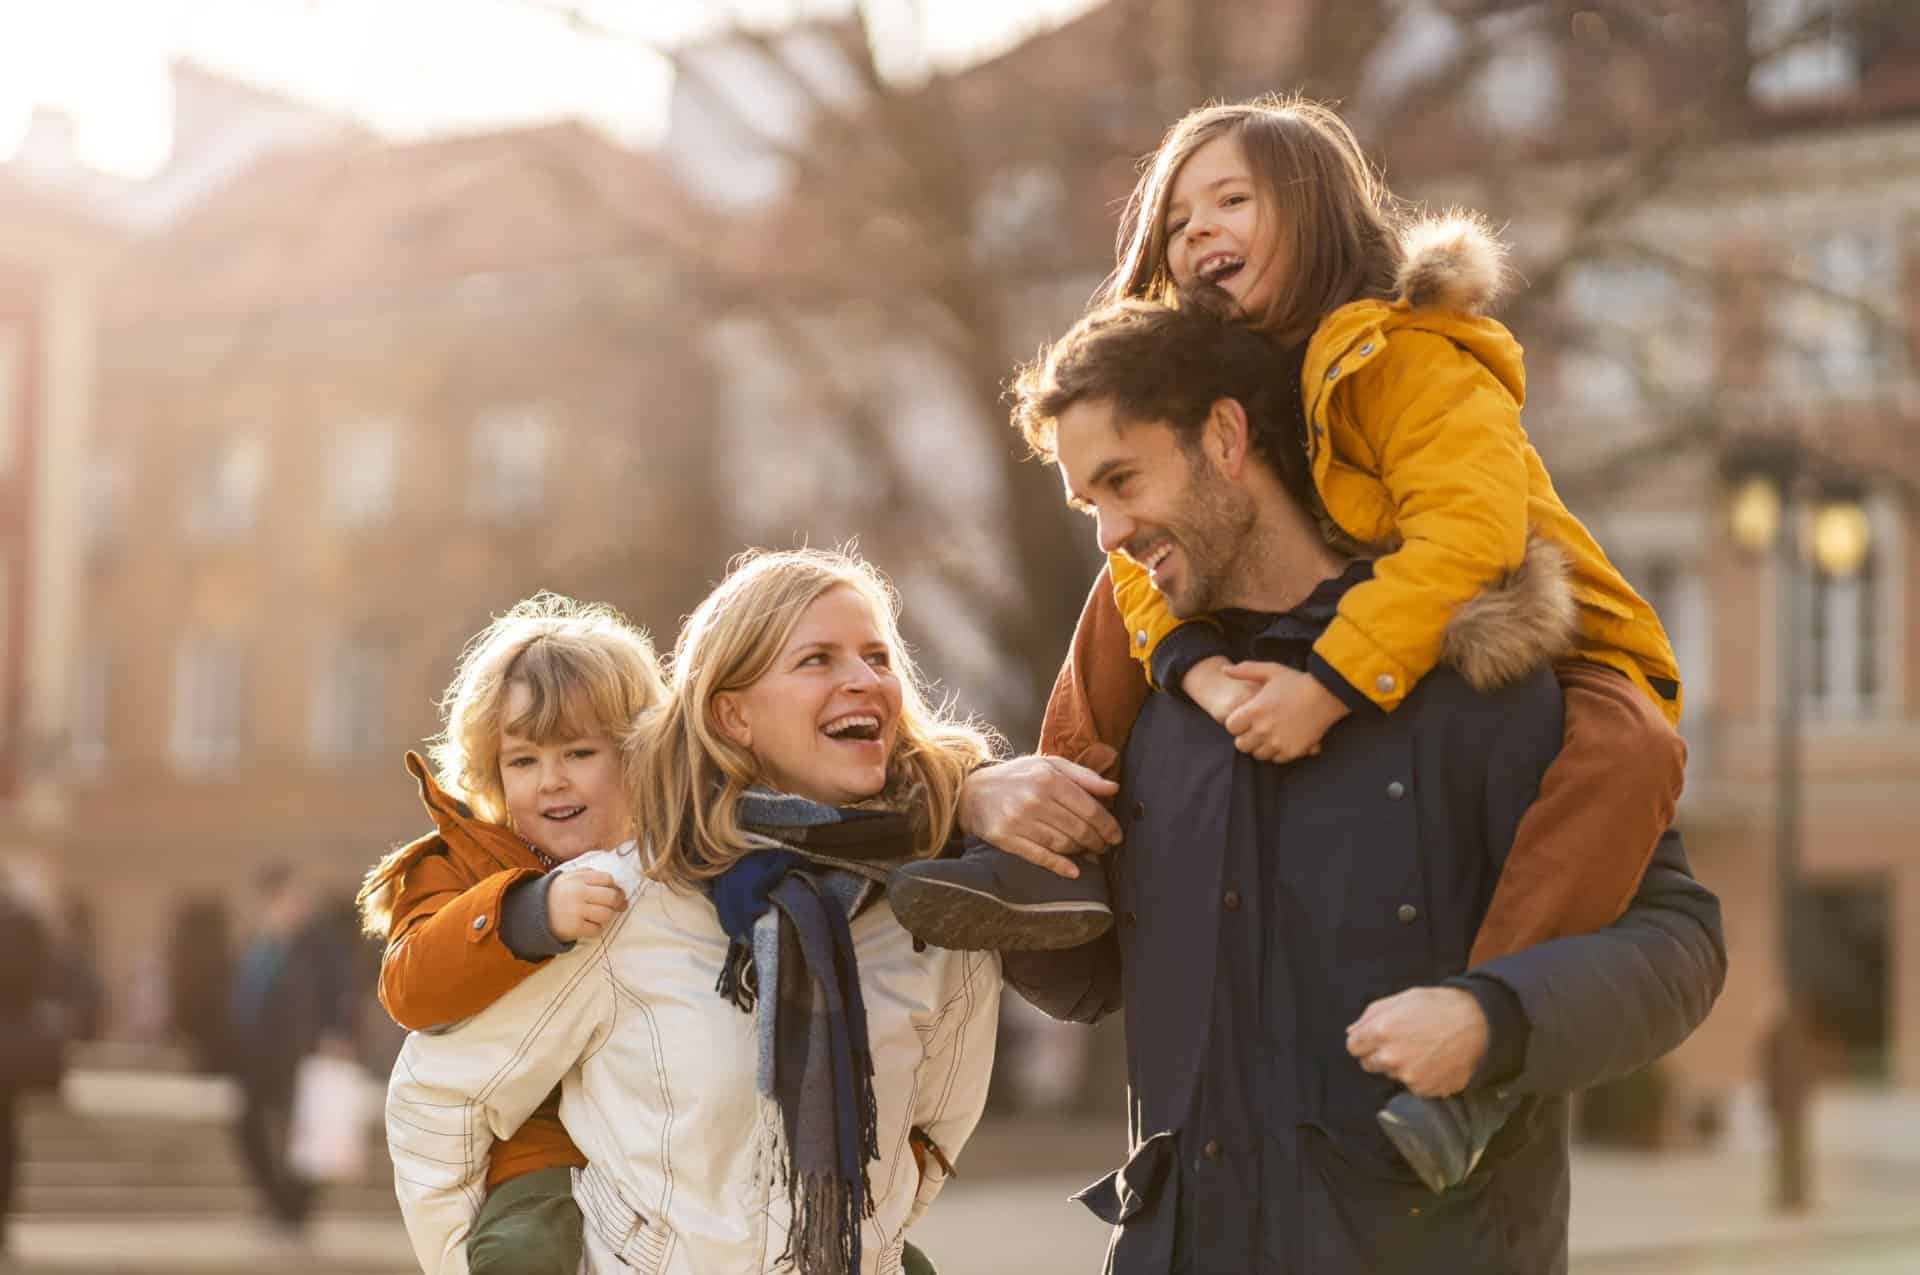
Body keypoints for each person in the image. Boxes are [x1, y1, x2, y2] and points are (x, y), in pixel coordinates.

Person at [891, 94, 1688, 1189]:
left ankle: (1477, 1062)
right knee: (1119, 584)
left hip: (1536, 621)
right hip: (1206, 1213)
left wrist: (1325, 684)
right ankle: (1048, 856)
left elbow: (1469, 532)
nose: (1199, 231)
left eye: (1232, 200)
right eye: (1176, 221)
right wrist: (1195, 670)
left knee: (1628, 751)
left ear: (1314, 213)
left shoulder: (1408, 355)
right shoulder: (1223, 388)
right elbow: (1145, 558)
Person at [985, 295, 1724, 1273]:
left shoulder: (1482, 689)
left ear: (1225, 435)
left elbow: (1677, 945)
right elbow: (1079, 977)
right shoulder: (1158, 716)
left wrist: (1491, 1016)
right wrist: (987, 834)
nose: (1111, 536)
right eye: (1090, 507)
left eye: (1123, 481)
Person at [386, 549, 1001, 1274]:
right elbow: (435, 1095)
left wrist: (870, 1236)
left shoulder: (938, 904)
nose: (863, 679)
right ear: (731, 713)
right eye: (818, 658)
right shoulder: (622, 898)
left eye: (876, 655)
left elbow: (933, 1128)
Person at [357, 594, 666, 1275]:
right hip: (540, 1143)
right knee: (519, 1252)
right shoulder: (462, 861)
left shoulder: (675, 859)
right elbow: (410, 986)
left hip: (666, 1127)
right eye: (523, 761)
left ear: (638, 754)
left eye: (579, 752)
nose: (551, 780)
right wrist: (528, 913)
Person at [229, 863, 357, 1232]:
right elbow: (246, 996)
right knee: (249, 1124)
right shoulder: (261, 943)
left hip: (305, 1052)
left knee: (308, 1131)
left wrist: (338, 1033)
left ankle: (294, 1208)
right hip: (260, 1055)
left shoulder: (317, 944)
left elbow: (340, 990)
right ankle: (277, 1199)